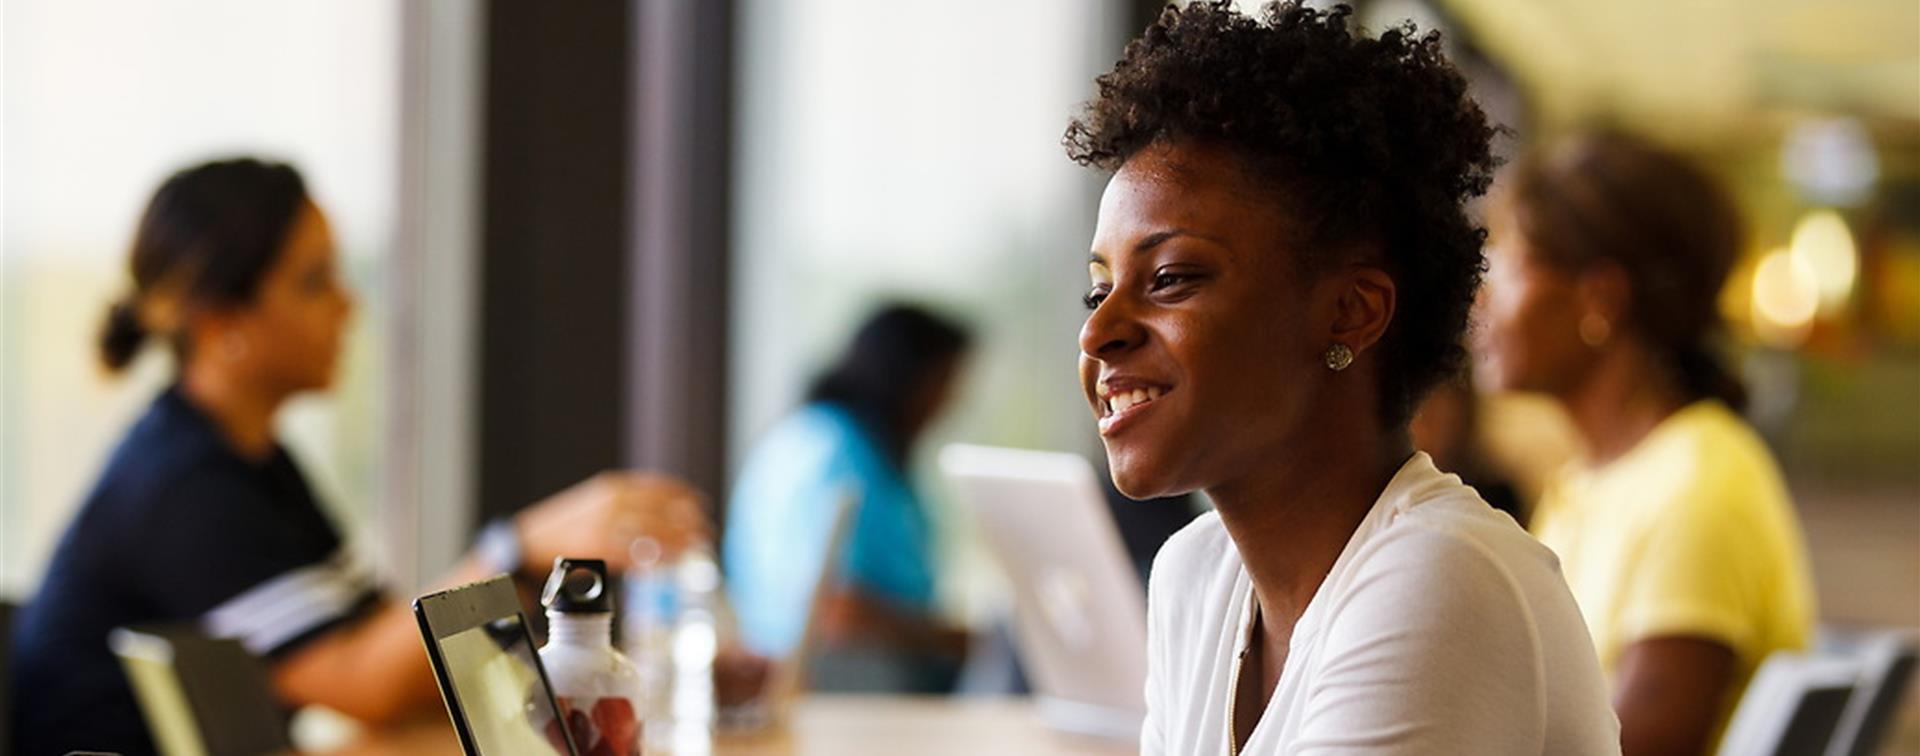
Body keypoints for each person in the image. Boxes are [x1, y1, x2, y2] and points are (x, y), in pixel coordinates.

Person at [9, 158, 707, 756]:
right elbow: (361, 684)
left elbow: (393, 662)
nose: (348, 305)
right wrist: (519, 545)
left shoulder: (253, 462)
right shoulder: (184, 490)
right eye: (313, 282)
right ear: (222, 323)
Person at [1063, 3, 1620, 753]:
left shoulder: (1441, 578)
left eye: (1170, 278)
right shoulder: (1194, 576)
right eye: (1098, 291)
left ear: (1351, 313)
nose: (1100, 332)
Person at [1478, 131, 1815, 755]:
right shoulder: (1587, 483)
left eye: (1513, 264)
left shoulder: (1700, 484)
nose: (1484, 297)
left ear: (1597, 298)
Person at [724, 304, 971, 693]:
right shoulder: (840, 455)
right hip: (832, 674)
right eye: (947, 381)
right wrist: (953, 639)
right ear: (911, 377)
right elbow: (837, 612)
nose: (953, 400)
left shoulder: (813, 435)